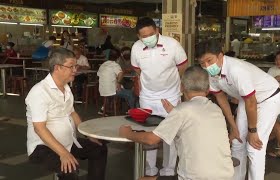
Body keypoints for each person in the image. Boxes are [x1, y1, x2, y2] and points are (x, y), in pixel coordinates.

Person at [119, 66, 234, 180]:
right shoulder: (216, 109)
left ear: (181, 87)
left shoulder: (182, 111)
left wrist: (128, 134)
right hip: (225, 175)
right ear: (208, 89)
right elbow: (194, 121)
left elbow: (151, 139)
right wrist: (174, 112)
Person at [197, 40, 280, 180]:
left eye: (209, 60)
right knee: (237, 142)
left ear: (220, 55)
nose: (207, 66)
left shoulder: (236, 70)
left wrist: (253, 131)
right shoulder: (211, 74)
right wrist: (233, 127)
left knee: (254, 147)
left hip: (269, 99)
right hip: (248, 100)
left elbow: (251, 102)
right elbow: (221, 98)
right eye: (202, 63)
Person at [26, 48, 108, 180]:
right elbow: (39, 129)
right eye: (71, 66)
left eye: (75, 66)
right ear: (58, 67)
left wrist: (89, 136)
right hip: (43, 147)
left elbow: (73, 113)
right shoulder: (39, 92)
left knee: (99, 149)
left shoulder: (66, 87)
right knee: (70, 169)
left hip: (68, 141)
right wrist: (63, 153)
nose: (75, 70)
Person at [131, 17, 188, 176]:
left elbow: (183, 65)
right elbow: (137, 70)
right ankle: (150, 168)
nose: (147, 38)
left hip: (171, 95)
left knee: (171, 132)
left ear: (157, 31)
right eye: (144, 36)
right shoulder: (136, 48)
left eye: (151, 34)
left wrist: (176, 83)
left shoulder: (172, 44)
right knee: (149, 131)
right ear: (138, 36)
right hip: (147, 96)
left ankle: (169, 169)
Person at [97, 49, 135, 114]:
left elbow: (99, 75)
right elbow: (121, 73)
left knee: (119, 90)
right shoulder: (115, 65)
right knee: (131, 94)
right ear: (118, 58)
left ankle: (104, 109)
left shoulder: (103, 65)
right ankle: (132, 111)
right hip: (113, 91)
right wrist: (118, 82)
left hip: (102, 90)